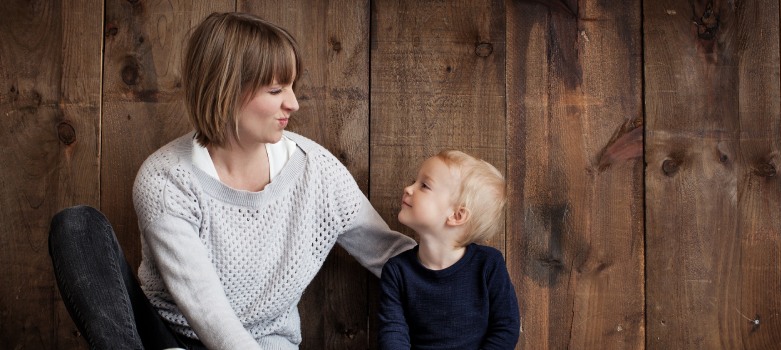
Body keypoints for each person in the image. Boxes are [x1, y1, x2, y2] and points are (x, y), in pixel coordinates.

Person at [48, 12, 416, 350]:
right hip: (167, 337)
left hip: (266, 342)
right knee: (76, 226)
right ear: (225, 91)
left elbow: (390, 255)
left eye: (291, 88)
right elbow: (204, 306)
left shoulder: (317, 171)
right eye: (276, 91)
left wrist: (470, 270)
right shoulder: (165, 179)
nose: (293, 104)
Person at [377, 150, 520, 350]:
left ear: (457, 215)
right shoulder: (396, 271)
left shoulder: (488, 264)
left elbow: (506, 327)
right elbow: (392, 333)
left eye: (424, 185)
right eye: (415, 181)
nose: (408, 188)